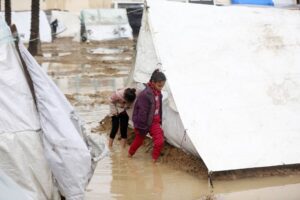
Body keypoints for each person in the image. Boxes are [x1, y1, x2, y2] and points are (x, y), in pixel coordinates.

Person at [128, 69, 167, 162]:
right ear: (153, 82)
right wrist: (141, 127)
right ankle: (129, 155)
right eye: (159, 86)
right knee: (139, 141)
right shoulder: (145, 95)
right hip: (143, 123)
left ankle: (154, 161)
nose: (161, 88)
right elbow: (142, 113)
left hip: (154, 122)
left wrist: (159, 121)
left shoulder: (159, 93)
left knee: (159, 141)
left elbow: (159, 108)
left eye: (162, 86)